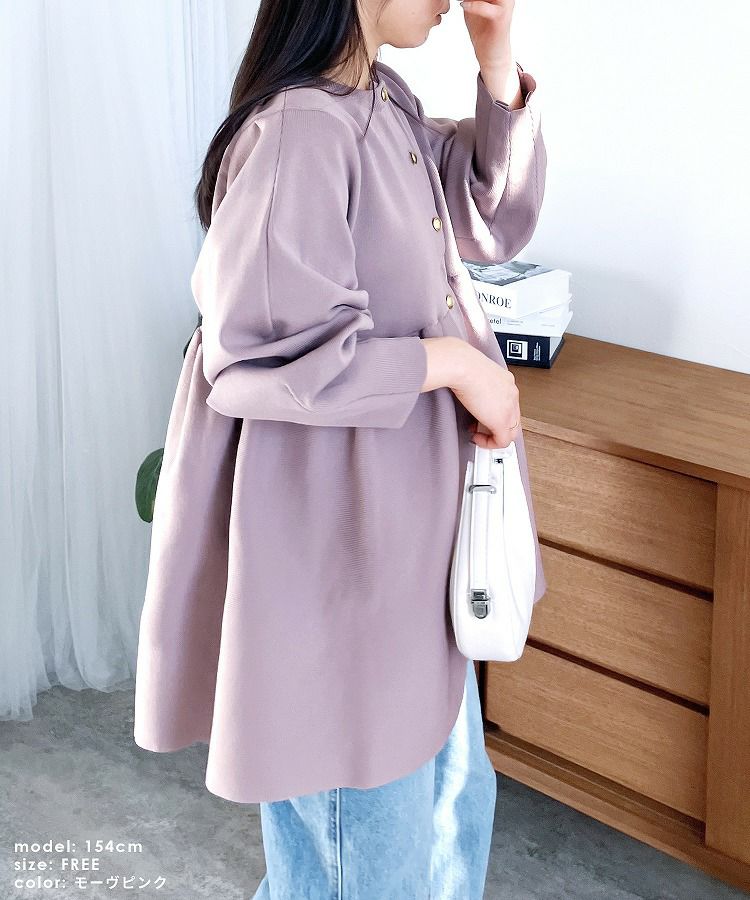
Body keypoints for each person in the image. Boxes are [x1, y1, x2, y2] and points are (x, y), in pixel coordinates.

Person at [132, 0, 548, 896]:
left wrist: (496, 57)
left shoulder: (380, 103)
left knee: (444, 823)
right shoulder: (302, 130)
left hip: (405, 561)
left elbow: (491, 222)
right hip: (337, 570)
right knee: (364, 863)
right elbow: (260, 360)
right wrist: (454, 364)